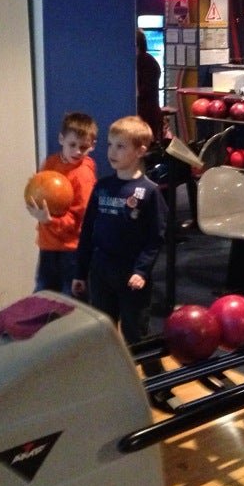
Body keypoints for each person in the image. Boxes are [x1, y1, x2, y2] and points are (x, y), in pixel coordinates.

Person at [72, 115, 167, 348]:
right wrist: (80, 271)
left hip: (131, 274)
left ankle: (147, 371)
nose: (112, 152)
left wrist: (141, 271)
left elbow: (155, 238)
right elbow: (88, 230)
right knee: (103, 330)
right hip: (100, 271)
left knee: (136, 332)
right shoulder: (102, 187)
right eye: (110, 145)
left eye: (121, 146)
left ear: (140, 151)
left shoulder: (149, 191)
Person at [25, 111, 98, 296]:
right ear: (61, 139)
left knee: (69, 299)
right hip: (47, 244)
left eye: (83, 147)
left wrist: (50, 221)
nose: (77, 151)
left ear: (92, 146)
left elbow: (80, 220)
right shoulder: (50, 163)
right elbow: (39, 192)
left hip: (71, 250)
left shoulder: (83, 176)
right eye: (72, 145)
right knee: (43, 295)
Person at [136, 29, 164, 144]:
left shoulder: (146, 62)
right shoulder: (147, 61)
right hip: (146, 113)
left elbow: (144, 91)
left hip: (146, 113)